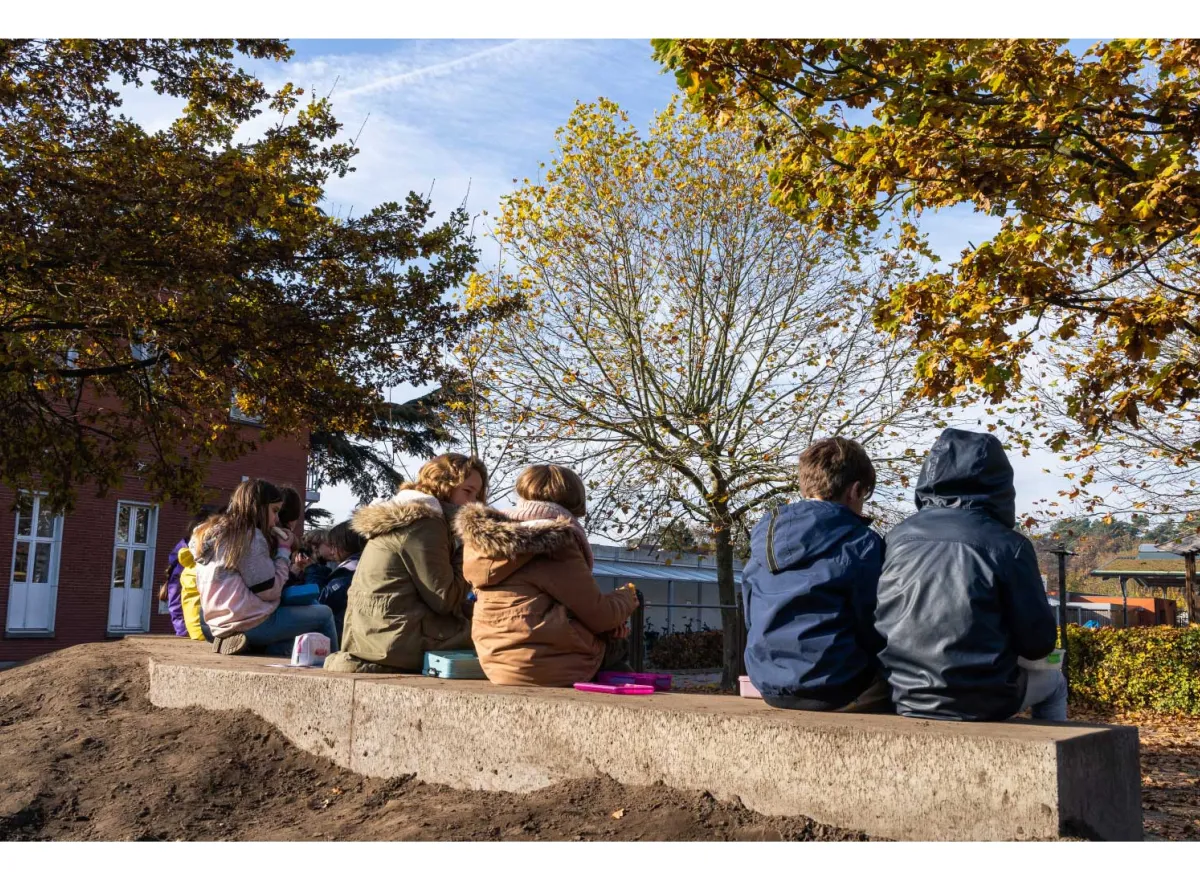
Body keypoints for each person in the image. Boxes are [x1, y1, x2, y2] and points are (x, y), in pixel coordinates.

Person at [874, 428, 1064, 722]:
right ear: (1001, 483)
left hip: (900, 692)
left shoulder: (895, 538)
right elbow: (1038, 643)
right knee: (1055, 685)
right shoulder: (1009, 546)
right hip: (982, 699)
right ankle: (1054, 758)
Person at [456, 464, 640, 687]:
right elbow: (599, 614)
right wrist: (628, 596)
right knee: (617, 644)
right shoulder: (555, 543)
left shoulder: (487, 543)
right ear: (574, 501)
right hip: (550, 665)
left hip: (497, 663)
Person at [740, 437, 890, 712]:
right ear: (855, 490)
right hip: (836, 684)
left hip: (768, 683)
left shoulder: (765, 539)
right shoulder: (862, 543)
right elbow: (875, 623)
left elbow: (751, 612)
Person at [324, 453, 487, 674]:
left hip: (371, 637)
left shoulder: (408, 516)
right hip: (396, 641)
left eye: (477, 494)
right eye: (467, 491)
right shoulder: (425, 523)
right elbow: (445, 599)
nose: (473, 502)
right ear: (443, 486)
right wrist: (468, 544)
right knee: (499, 632)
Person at [193, 478, 339, 657]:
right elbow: (270, 591)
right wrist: (283, 551)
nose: (276, 519)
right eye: (274, 511)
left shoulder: (215, 534)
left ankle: (259, 647)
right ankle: (336, 667)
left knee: (289, 640)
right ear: (259, 508)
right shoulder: (250, 537)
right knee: (324, 614)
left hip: (216, 623)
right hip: (249, 621)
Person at [317, 519, 366, 640]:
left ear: (346, 544)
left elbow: (321, 601)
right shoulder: (364, 564)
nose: (332, 551)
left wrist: (312, 570)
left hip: (341, 634)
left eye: (334, 545)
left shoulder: (348, 572)